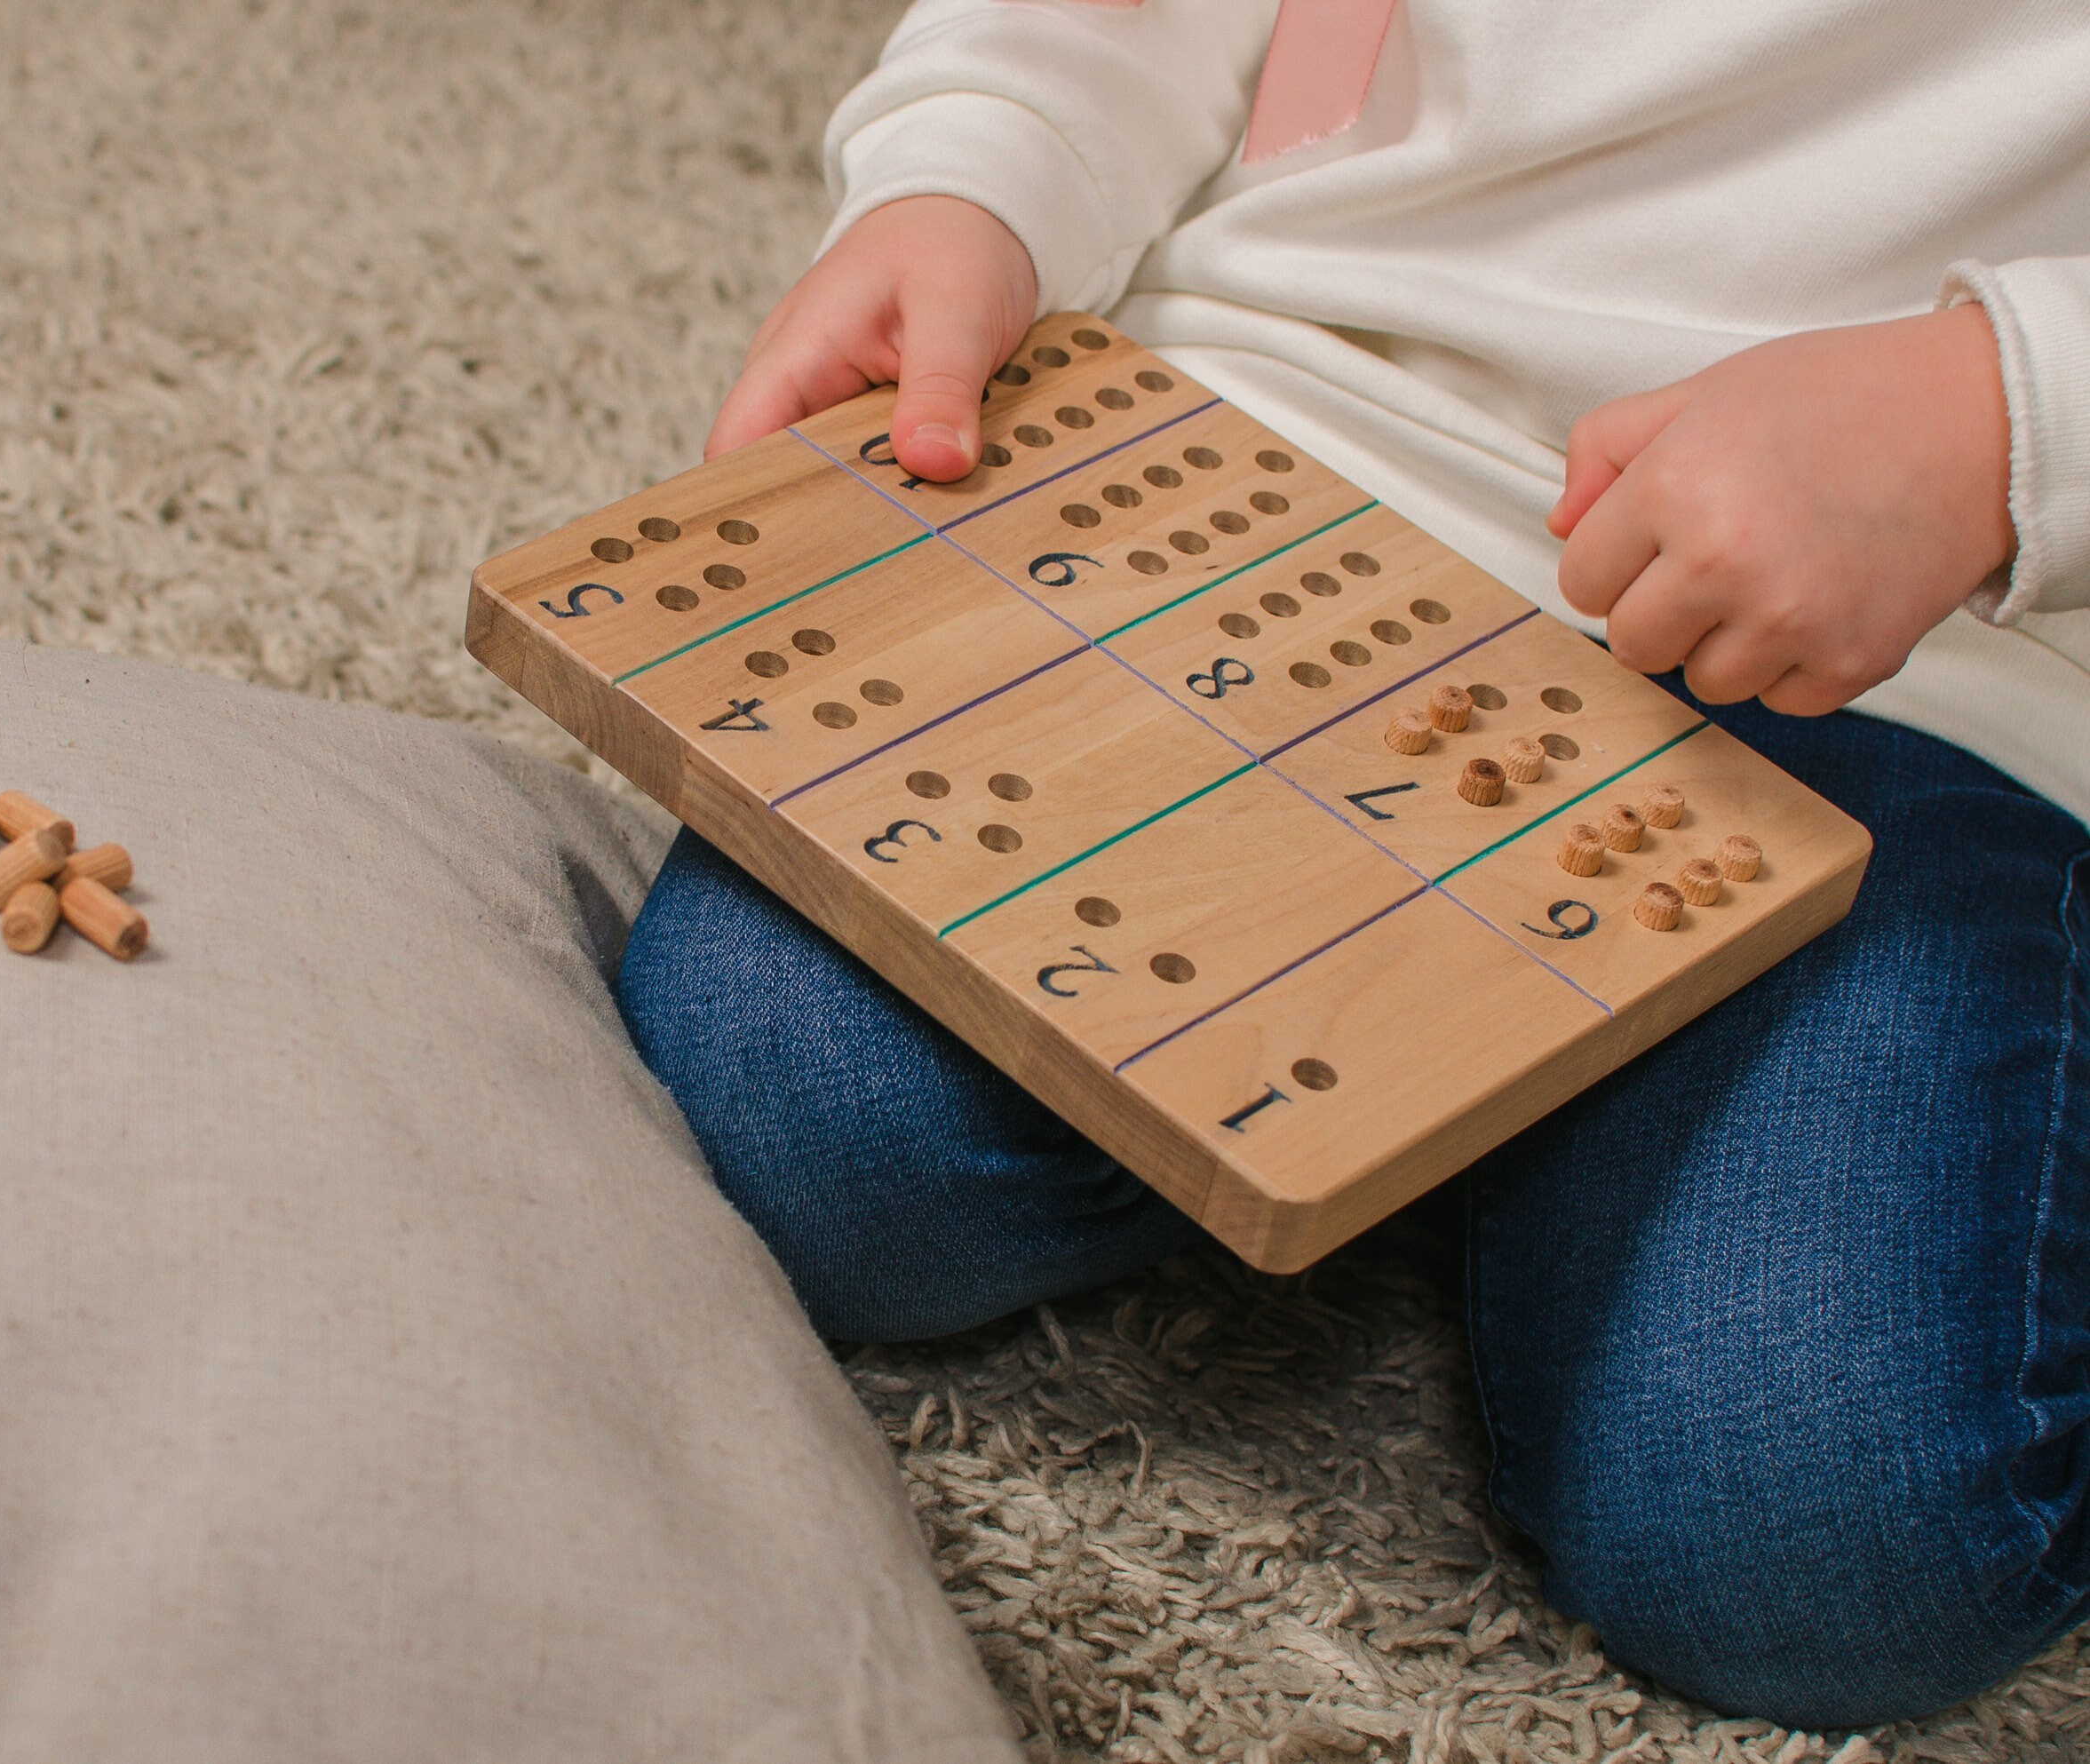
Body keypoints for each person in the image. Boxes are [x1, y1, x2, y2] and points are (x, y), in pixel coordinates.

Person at [611, 0, 2090, 1731]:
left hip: (1922, 640)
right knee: (789, 1114)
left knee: (1820, 1548)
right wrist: (978, 170)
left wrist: (2003, 417)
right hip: (1311, 428)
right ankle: (1508, 1117)